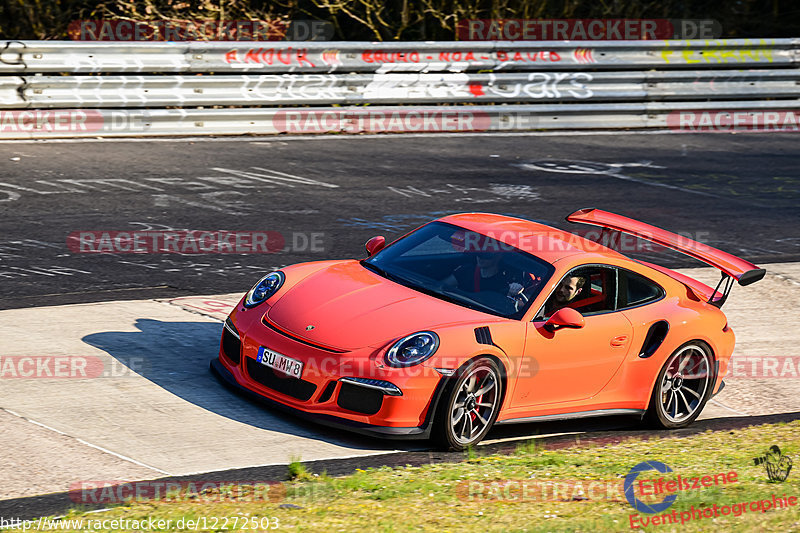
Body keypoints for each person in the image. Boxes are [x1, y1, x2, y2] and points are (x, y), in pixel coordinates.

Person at [443, 251, 524, 300]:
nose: (480, 258)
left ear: (498, 257)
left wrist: (512, 292)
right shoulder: (466, 271)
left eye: (486, 255)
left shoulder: (504, 283)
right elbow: (441, 286)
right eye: (479, 254)